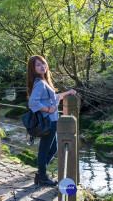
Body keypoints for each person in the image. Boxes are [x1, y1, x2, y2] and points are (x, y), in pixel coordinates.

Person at [27, 55, 76, 186]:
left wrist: (67, 93)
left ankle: (41, 173)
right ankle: (42, 175)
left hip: (52, 121)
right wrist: (48, 110)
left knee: (53, 148)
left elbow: (53, 97)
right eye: (38, 65)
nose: (42, 66)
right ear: (33, 69)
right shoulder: (40, 83)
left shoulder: (43, 82)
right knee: (44, 149)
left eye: (43, 63)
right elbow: (33, 102)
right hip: (48, 121)